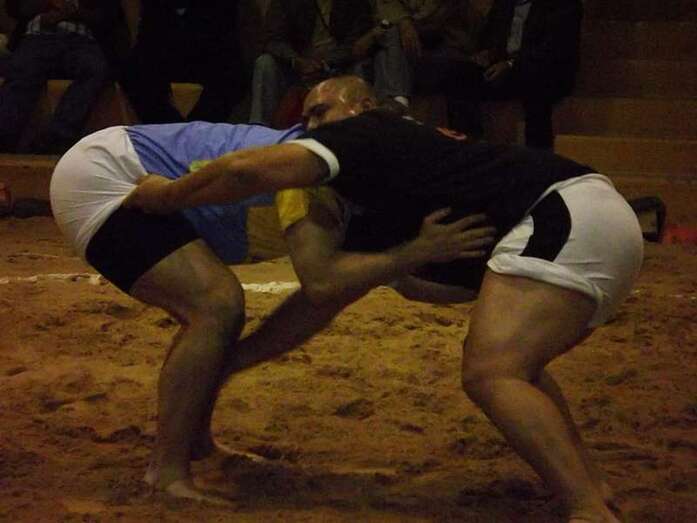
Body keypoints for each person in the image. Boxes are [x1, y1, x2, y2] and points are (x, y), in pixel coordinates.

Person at [127, 75, 643, 522]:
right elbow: (322, 296)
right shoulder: (387, 189)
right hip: (593, 217)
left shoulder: (369, 132)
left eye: (322, 111)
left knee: (493, 371)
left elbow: (245, 170)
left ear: (363, 107)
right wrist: (240, 358)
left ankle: (587, 509)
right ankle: (591, 486)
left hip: (563, 213)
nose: (310, 125)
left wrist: (167, 195)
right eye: (305, 117)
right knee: (516, 368)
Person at [50, 118, 493, 504]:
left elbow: (355, 291)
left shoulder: (370, 188)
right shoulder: (317, 167)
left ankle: (196, 445)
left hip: (136, 179)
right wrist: (416, 252)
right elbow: (323, 284)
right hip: (112, 175)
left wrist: (493, 278)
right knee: (216, 305)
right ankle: (166, 471)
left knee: (218, 313)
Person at [446, 0, 583, 149]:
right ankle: (469, 147)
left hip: (543, 70)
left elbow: (554, 50)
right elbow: (491, 35)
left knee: (537, 91)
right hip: (505, 67)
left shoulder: (562, 4)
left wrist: (512, 64)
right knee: (459, 77)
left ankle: (538, 154)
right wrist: (487, 53)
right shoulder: (505, 3)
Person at [249, 0, 410, 126]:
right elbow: (273, 39)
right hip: (298, 64)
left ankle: (361, 125)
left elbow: (356, 39)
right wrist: (296, 60)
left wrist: (327, 62)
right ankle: (259, 126)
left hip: (339, 63)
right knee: (265, 63)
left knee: (360, 67)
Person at [0, 0, 127, 153]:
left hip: (82, 39)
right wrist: (48, 5)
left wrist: (71, 12)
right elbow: (15, 8)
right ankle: (5, 137)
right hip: (37, 36)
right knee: (23, 70)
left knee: (96, 69)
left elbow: (107, 15)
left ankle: (56, 138)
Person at [119, 1, 246, 124]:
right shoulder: (154, 10)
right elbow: (145, 49)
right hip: (162, 66)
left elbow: (227, 52)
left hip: (211, 65)